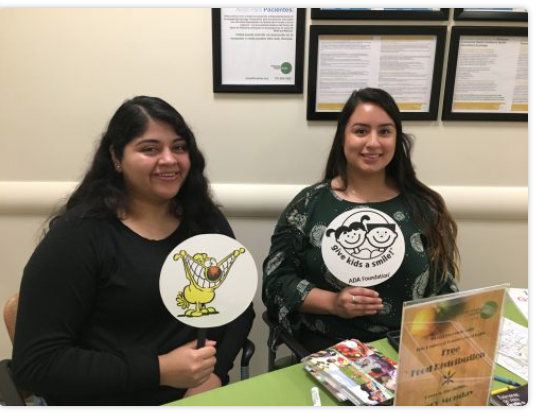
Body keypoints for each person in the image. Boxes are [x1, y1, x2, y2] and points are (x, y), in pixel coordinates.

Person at [12, 96, 255, 405]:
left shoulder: (205, 220)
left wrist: (215, 374)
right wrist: (159, 370)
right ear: (116, 157)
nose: (169, 159)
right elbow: (36, 365)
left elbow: (238, 309)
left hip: (196, 398)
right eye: (149, 149)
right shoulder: (77, 237)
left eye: (179, 147)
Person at [262, 87, 459, 354]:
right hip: (330, 352)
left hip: (408, 348)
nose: (373, 143)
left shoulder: (423, 206)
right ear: (342, 137)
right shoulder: (309, 205)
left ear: (397, 139)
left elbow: (444, 291)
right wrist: (333, 303)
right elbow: (276, 282)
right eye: (361, 130)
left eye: (385, 131)